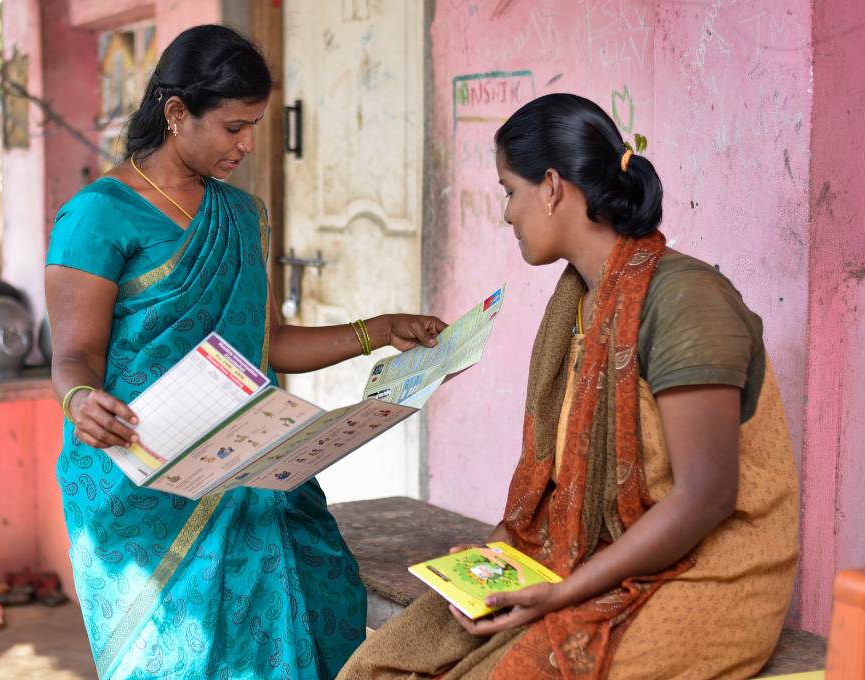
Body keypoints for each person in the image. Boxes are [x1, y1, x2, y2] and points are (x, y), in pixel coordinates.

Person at [338, 93, 799, 679]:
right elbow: (558, 483)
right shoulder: (578, 303)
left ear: (552, 186)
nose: (506, 213)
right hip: (583, 558)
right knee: (383, 663)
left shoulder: (686, 300)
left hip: (705, 574)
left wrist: (563, 593)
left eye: (510, 190)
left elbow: (705, 497)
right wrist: (493, 559)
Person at [44, 25, 446, 680]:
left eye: (254, 125)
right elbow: (73, 355)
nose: (248, 144)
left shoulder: (241, 214)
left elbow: (267, 346)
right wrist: (79, 399)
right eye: (234, 127)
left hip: (250, 472)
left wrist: (378, 329)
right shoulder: (98, 217)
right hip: (141, 485)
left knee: (311, 616)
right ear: (177, 113)